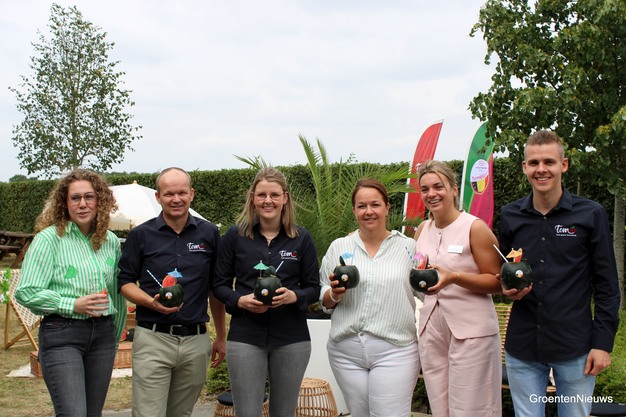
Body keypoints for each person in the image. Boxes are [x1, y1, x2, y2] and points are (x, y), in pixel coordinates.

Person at [499, 130, 620, 417]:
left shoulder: (591, 214)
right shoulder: (510, 216)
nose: (541, 169)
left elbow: (607, 286)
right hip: (523, 347)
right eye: (534, 162)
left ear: (563, 165)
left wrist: (602, 344)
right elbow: (503, 271)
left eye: (549, 162)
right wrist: (505, 288)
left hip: (575, 348)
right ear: (524, 167)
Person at [15, 168, 127, 417]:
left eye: (89, 197)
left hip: (103, 336)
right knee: (73, 413)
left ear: (100, 200)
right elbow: (27, 292)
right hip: (62, 334)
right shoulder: (49, 239)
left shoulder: (110, 241)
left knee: (93, 414)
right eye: (75, 198)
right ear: (64, 203)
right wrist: (72, 304)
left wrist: (115, 337)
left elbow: (117, 294)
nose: (82, 204)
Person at [117, 167, 226, 417]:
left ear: (191, 194)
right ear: (158, 197)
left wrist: (221, 336)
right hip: (153, 339)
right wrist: (150, 302)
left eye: (182, 193)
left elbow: (215, 289)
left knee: (181, 414)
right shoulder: (141, 235)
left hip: (195, 341)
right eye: (169, 194)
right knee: (148, 414)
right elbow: (125, 282)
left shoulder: (209, 233)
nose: (176, 199)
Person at [213, 167, 321, 417]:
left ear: (285, 198)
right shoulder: (235, 236)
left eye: (274, 195)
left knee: (284, 412)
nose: (268, 201)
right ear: (253, 198)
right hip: (246, 336)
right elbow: (219, 284)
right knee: (247, 412)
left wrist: (294, 296)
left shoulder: (301, 238)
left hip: (291, 338)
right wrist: (240, 300)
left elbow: (314, 288)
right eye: (261, 195)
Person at [319, 178, 420, 417]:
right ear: (354, 210)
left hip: (395, 350)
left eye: (375, 204)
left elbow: (427, 290)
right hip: (345, 353)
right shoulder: (339, 246)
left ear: (387, 207)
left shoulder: (409, 248)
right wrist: (334, 294)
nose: (368, 211)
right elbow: (323, 299)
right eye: (361, 206)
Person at [413, 160, 502, 417]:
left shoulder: (475, 228)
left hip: (472, 332)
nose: (431, 194)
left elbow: (498, 282)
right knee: (440, 408)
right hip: (432, 331)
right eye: (425, 189)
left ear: (453, 189)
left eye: (438, 186)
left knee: (472, 409)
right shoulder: (422, 229)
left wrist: (455, 277)